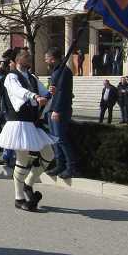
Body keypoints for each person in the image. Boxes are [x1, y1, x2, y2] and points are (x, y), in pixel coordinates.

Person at [0, 49, 57, 212]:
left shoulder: (32, 77)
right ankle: (18, 197)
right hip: (18, 123)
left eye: (29, 56)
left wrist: (49, 94)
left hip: (32, 122)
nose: (28, 57)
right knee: (22, 159)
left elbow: (43, 93)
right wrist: (35, 97)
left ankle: (28, 183)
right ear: (17, 60)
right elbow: (18, 92)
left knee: (49, 154)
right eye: (25, 56)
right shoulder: (11, 76)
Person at [44, 47, 76, 179]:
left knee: (61, 139)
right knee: (55, 139)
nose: (45, 61)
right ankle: (60, 164)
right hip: (52, 109)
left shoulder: (64, 71)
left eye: (46, 58)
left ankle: (71, 167)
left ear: (52, 59)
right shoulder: (57, 70)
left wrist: (57, 110)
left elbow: (63, 93)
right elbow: (56, 91)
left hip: (60, 110)